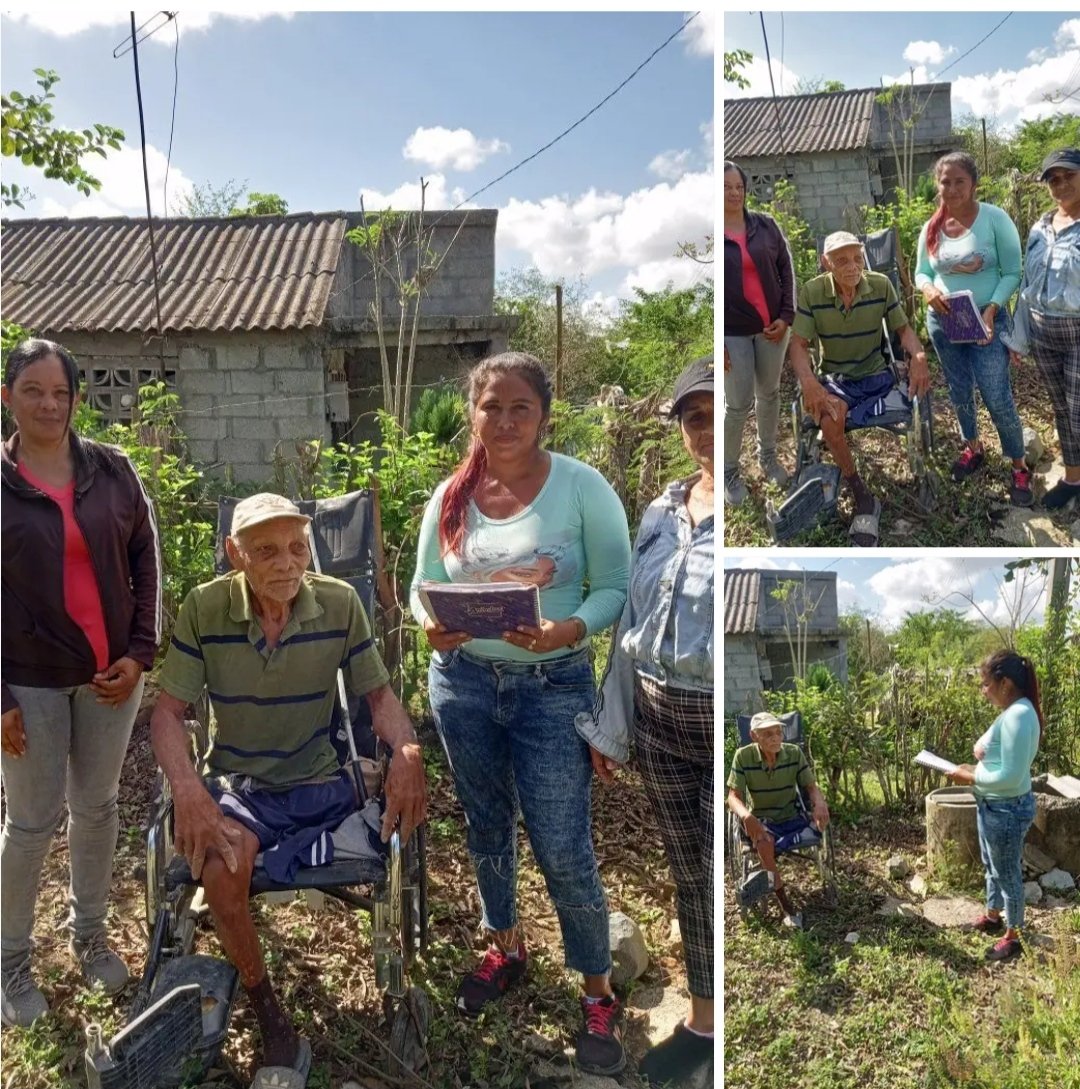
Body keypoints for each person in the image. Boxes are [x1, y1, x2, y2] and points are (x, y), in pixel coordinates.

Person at [150, 492, 427, 1081]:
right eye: (266, 550)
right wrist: (187, 790)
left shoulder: (339, 602)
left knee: (384, 801)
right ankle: (268, 1009)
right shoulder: (204, 608)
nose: (286, 563)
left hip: (320, 783)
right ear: (235, 554)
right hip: (241, 784)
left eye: (298, 547)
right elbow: (167, 713)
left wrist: (406, 750)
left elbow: (378, 697)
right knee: (224, 870)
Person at [410, 352, 631, 1076]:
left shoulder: (580, 487)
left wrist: (565, 631)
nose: (503, 421)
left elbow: (613, 587)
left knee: (563, 843)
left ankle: (597, 987)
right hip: (464, 683)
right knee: (485, 824)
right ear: (472, 412)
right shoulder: (450, 494)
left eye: (520, 408)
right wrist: (430, 625)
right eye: (490, 407)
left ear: (544, 414)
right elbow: (421, 586)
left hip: (553, 687)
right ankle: (504, 944)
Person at [1, 338, 161, 1027]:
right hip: (25, 683)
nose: (47, 403)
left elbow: (145, 558)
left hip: (107, 677)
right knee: (32, 822)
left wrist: (141, 651)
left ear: (75, 398)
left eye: (59, 391)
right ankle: (9, 961)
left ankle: (88, 934)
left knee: (95, 809)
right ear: (7, 396)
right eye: (32, 389)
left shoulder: (113, 471)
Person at [576, 356, 715, 1087]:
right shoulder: (662, 511)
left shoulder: (747, 510)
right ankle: (704, 1021)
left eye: (715, 411)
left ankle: (726, 1015)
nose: (704, 427)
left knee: (716, 870)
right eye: (692, 416)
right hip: (659, 720)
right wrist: (613, 725)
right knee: (689, 873)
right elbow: (633, 618)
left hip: (719, 720)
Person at [788, 231, 931, 546]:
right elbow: (797, 345)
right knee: (829, 419)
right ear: (827, 263)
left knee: (890, 399)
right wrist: (809, 382)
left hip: (876, 376)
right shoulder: (813, 292)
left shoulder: (880, 285)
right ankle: (860, 493)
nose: (852, 266)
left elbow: (903, 330)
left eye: (857, 258)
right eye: (841, 260)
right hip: (836, 380)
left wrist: (919, 355)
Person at [915, 151, 1030, 506]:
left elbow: (1013, 271)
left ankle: (1019, 465)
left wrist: (994, 309)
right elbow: (922, 271)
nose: (951, 188)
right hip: (945, 321)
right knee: (960, 389)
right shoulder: (932, 226)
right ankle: (973, 447)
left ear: (974, 184)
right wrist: (928, 290)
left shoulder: (995, 220)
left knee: (996, 395)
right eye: (945, 181)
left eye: (959, 181)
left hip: (986, 320)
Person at [945, 650, 1041, 962]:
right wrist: (979, 754)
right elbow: (991, 750)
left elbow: (1011, 775)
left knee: (1007, 872)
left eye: (986, 684)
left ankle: (1014, 935)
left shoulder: (1018, 715)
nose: (983, 690)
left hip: (1006, 808)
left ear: (1005, 682)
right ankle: (992, 914)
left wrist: (971, 777)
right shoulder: (1015, 710)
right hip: (996, 806)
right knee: (992, 866)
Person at [1002, 147, 1080, 510]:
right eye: (1053, 178)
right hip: (1043, 332)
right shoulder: (1040, 228)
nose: (1061, 183)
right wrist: (1019, 337)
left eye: (1069, 175)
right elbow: (1027, 286)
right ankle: (1073, 479)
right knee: (1062, 410)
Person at [723, 160, 796, 505]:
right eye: (725, 187)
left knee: (769, 395)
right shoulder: (713, 236)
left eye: (739, 187)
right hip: (732, 334)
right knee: (737, 405)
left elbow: (786, 268)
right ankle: (729, 470)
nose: (734, 193)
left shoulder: (765, 227)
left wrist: (787, 315)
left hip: (772, 329)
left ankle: (767, 456)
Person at [726, 712, 830, 930]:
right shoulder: (743, 757)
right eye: (768, 734)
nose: (776, 738)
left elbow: (811, 788)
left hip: (792, 818)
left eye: (778, 732)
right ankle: (786, 906)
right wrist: (747, 816)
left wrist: (819, 803)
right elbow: (733, 797)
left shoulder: (793, 753)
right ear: (754, 736)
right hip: (762, 819)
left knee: (768, 845)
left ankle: (765, 876)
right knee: (764, 842)